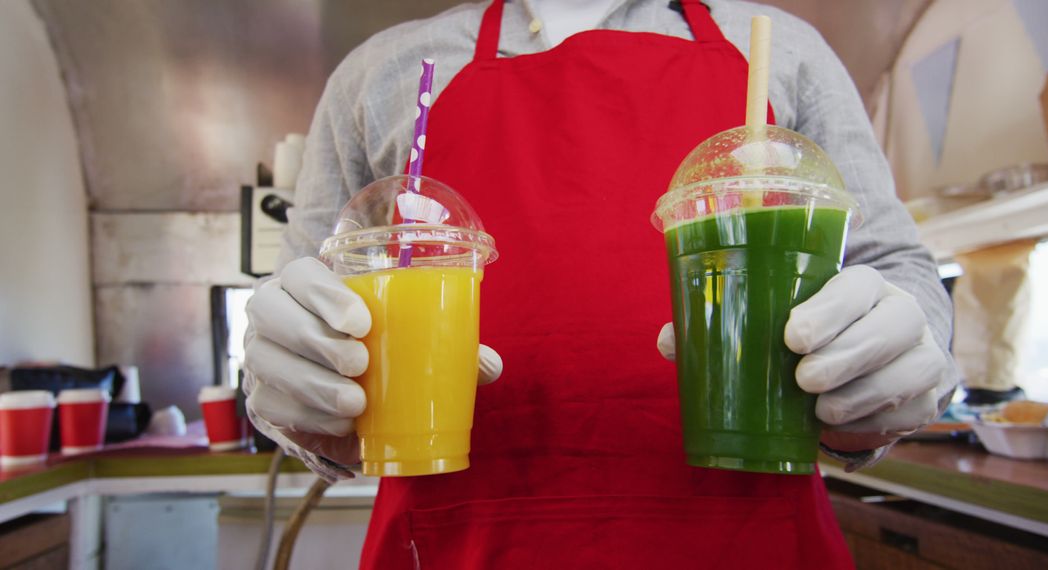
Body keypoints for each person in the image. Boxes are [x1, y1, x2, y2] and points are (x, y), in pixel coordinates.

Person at [243, 1, 957, 567]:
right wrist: (301, 392)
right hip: (450, 548)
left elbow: (896, 268)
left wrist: (889, 358)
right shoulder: (383, 71)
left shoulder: (783, 50)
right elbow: (304, 304)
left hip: (751, 540)